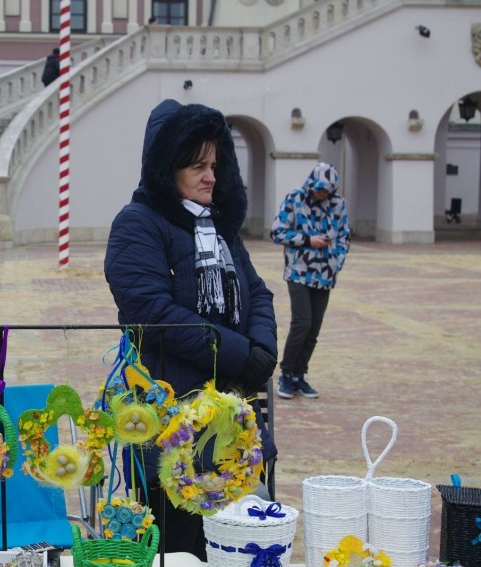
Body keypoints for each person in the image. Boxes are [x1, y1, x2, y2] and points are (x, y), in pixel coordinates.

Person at [104, 99, 278, 561]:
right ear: (167, 167)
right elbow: (151, 311)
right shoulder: (137, 225)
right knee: (177, 547)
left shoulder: (220, 228)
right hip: (169, 422)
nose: (210, 177)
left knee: (233, 542)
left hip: (233, 417)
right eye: (197, 166)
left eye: (214, 165)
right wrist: (241, 354)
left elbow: (258, 293)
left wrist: (264, 348)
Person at [270, 161, 350, 399]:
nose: (321, 193)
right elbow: (277, 231)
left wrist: (336, 262)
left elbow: (344, 236)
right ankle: (285, 373)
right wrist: (308, 240)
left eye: (325, 190)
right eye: (318, 188)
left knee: (314, 328)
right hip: (299, 272)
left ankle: (299, 375)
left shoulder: (338, 205)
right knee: (302, 323)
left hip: (325, 275)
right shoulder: (295, 198)